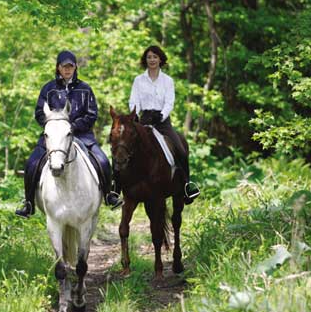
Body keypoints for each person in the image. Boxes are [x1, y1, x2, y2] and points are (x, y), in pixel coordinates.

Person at [15, 50, 123, 217]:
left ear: (75, 67)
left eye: (70, 66)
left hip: (82, 135)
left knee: (102, 161)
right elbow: (39, 113)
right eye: (64, 66)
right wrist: (55, 126)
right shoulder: (48, 89)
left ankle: (109, 195)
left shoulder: (85, 89)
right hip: (54, 137)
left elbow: (92, 114)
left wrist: (73, 126)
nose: (67, 69)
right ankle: (28, 203)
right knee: (31, 163)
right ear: (58, 67)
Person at [126, 45, 200, 203]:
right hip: (143, 120)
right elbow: (133, 100)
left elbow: (169, 102)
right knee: (123, 145)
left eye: (155, 57)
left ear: (160, 59)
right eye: (149, 57)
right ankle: (117, 186)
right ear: (145, 60)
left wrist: (161, 115)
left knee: (180, 150)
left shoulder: (168, 81)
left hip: (162, 121)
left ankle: (187, 185)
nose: (152, 60)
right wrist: (135, 115)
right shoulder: (138, 80)